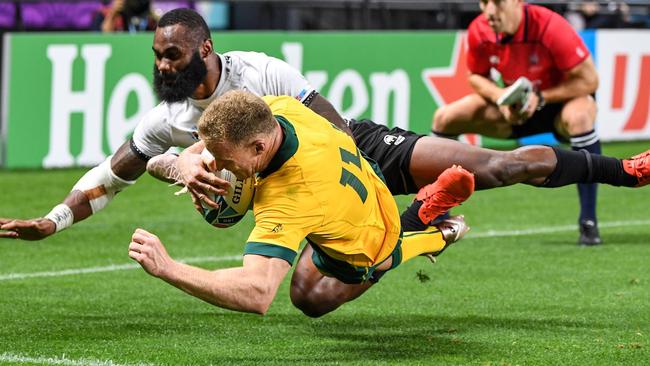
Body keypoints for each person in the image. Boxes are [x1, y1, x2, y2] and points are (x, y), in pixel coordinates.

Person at [1, 8, 648, 242]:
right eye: (156, 56)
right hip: (300, 198)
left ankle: (625, 170)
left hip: (349, 150)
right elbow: (111, 176)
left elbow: (331, 122)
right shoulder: (166, 120)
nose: (162, 64)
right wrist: (54, 218)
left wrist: (361, 179)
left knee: (501, 165)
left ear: (203, 50)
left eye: (171, 54)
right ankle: (422, 226)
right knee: (314, 295)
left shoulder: (257, 71)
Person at [129, 90, 472, 317]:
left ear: (259, 149)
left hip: (370, 236)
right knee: (308, 267)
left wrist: (168, 268)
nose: (217, 165)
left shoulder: (289, 199)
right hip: (360, 181)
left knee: (310, 297)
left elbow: (257, 292)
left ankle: (431, 227)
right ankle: (426, 222)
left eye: (226, 161)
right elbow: (196, 149)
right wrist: (188, 161)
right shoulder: (278, 109)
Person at [431, 0, 603, 245]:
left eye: (498, 3)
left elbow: (590, 81)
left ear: (517, 2)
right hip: (516, 106)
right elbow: (476, 77)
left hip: (560, 105)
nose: (490, 11)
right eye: (484, 2)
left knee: (580, 117)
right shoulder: (480, 28)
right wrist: (500, 99)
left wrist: (541, 97)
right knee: (445, 118)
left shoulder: (550, 26)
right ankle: (439, 216)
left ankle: (588, 222)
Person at [91, 0, 158, 33]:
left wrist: (154, 13)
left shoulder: (150, 18)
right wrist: (113, 13)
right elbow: (103, 40)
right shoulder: (104, 14)